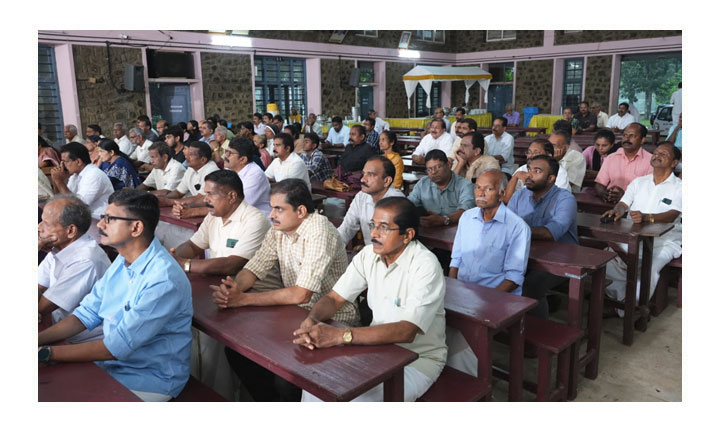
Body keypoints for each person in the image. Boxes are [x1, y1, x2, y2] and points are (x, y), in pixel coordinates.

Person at [38, 190, 193, 402]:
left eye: (109, 219)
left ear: (136, 227)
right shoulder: (122, 260)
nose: (100, 225)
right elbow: (86, 314)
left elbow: (115, 347)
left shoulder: (163, 279)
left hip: (148, 377)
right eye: (103, 218)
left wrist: (45, 353)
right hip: (111, 364)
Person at [217, 179, 360, 401]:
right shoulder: (278, 230)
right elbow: (255, 267)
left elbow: (302, 293)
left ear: (301, 211)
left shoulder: (319, 230)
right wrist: (232, 290)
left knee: (287, 380)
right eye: (272, 207)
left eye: (278, 209)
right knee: (237, 353)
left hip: (332, 318)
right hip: (293, 314)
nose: (271, 215)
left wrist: (242, 300)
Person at [293, 196, 447, 402]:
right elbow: (334, 298)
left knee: (357, 402)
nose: (373, 233)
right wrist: (312, 320)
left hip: (417, 361)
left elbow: (407, 331)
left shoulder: (425, 264)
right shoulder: (369, 255)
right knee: (316, 385)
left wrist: (341, 336)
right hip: (377, 350)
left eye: (384, 227)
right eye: (373, 225)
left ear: (407, 235)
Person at [445, 168, 531, 376]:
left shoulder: (517, 227)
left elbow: (513, 278)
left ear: (502, 194)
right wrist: (452, 291)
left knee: (463, 335)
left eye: (488, 189)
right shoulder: (467, 217)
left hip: (496, 297)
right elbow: (456, 259)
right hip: (463, 291)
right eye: (477, 188)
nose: (480, 193)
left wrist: (484, 303)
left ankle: (472, 382)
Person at [601, 143, 682, 305]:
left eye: (664, 154)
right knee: (606, 259)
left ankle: (633, 309)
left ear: (674, 163)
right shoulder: (639, 182)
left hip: (664, 242)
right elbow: (623, 203)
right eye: (656, 152)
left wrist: (647, 217)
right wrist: (617, 210)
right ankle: (619, 301)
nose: (657, 155)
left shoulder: (680, 187)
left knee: (649, 269)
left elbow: (673, 214)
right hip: (633, 236)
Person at [507, 155, 578, 318]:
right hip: (527, 252)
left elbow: (550, 232)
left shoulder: (565, 199)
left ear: (551, 179)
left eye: (537, 171)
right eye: (529, 170)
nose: (529, 175)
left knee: (532, 286)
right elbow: (506, 225)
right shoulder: (519, 195)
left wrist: (518, 231)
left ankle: (535, 334)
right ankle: (507, 322)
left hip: (560, 259)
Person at [38, 195, 111, 343]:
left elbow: (42, 307)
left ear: (70, 231)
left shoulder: (85, 259)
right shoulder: (58, 247)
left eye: (46, 223)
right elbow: (37, 285)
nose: (39, 227)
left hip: (83, 342)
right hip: (57, 327)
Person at [169, 170, 270, 276]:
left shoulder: (254, 220)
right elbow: (193, 246)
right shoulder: (213, 216)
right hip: (219, 281)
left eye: (210, 194)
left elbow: (233, 265)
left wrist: (185, 264)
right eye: (205, 194)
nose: (205, 200)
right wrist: (171, 259)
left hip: (252, 289)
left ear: (232, 197)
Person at [337, 156, 405, 246]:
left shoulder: (398, 203)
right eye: (363, 173)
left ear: (387, 181)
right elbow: (346, 228)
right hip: (370, 254)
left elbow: (397, 244)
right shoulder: (361, 197)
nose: (363, 179)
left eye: (371, 174)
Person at [408, 150, 475, 228]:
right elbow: (409, 203)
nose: (433, 172)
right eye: (429, 169)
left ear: (448, 165)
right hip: (429, 229)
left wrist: (444, 219)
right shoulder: (423, 183)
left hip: (456, 230)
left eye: (438, 167)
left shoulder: (465, 185)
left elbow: (466, 211)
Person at [50, 142, 114, 219]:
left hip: (98, 220)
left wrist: (59, 182)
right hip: (83, 218)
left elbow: (77, 205)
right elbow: (61, 199)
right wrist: (55, 180)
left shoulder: (94, 175)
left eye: (65, 162)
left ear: (78, 162)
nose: (62, 165)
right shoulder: (75, 175)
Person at [154, 141, 220, 216]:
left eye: (191, 155)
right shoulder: (191, 169)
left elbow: (201, 198)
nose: (186, 156)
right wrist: (162, 199)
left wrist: (168, 202)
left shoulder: (211, 171)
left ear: (203, 160)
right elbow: (178, 192)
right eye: (187, 153)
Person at [594, 123, 653, 204]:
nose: (627, 139)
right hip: (610, 203)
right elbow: (599, 184)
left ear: (642, 140)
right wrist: (604, 194)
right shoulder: (611, 158)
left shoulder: (651, 161)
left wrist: (625, 196)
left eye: (632, 136)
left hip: (636, 207)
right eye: (625, 135)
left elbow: (651, 191)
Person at [505, 138, 571, 203]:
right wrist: (516, 176)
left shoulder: (560, 173)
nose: (530, 156)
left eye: (536, 153)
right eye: (529, 152)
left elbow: (559, 201)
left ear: (548, 156)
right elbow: (507, 200)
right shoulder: (522, 169)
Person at [223, 137, 272, 216]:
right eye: (226, 151)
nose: (226, 156)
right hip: (237, 215)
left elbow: (238, 205)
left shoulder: (255, 175)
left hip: (256, 218)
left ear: (243, 159)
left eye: (230, 153)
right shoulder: (229, 168)